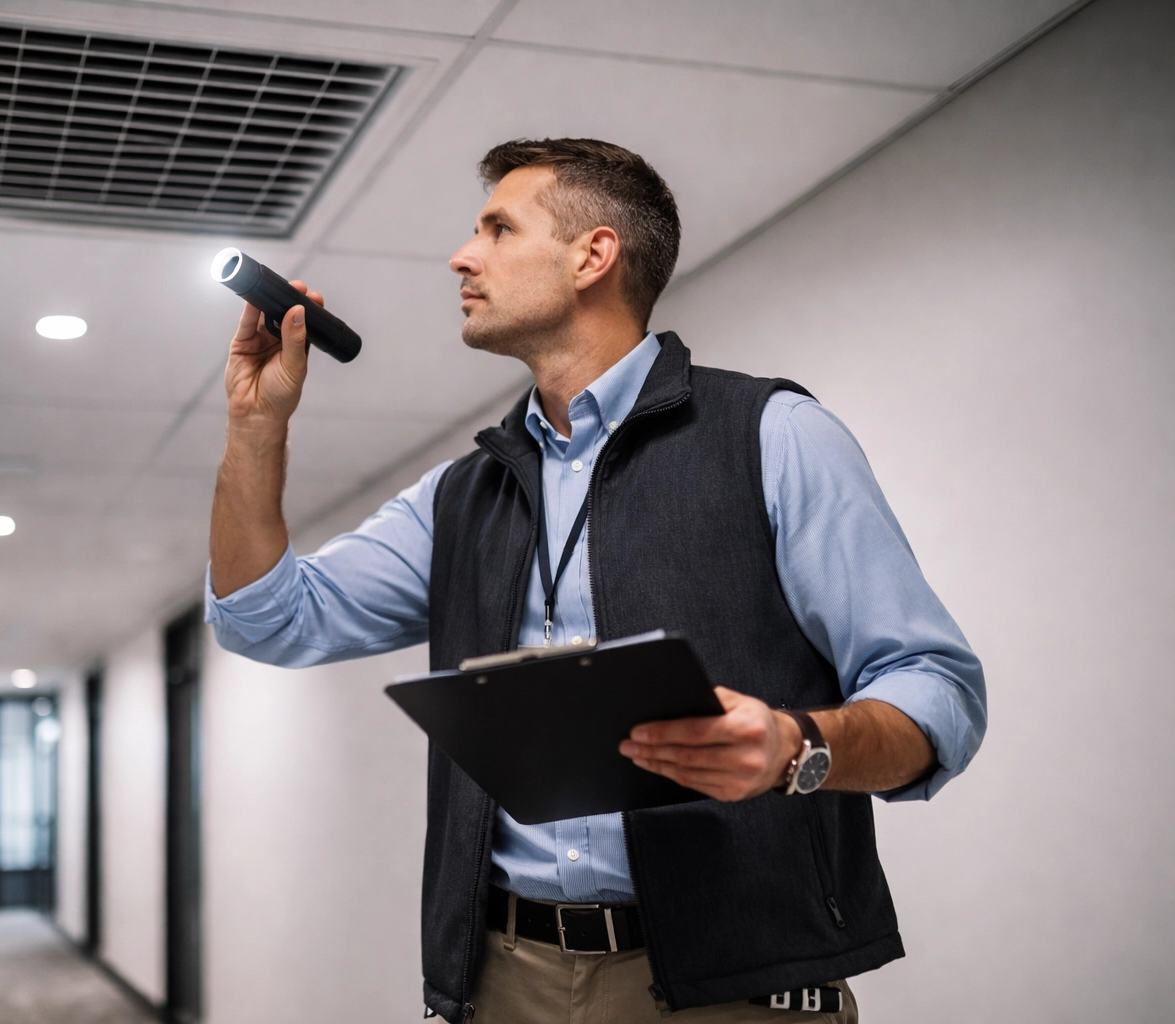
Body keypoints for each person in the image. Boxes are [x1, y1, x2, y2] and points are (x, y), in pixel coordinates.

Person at [206, 138, 986, 1023]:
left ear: (593, 255)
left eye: (498, 228)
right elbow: (263, 619)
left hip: (736, 988)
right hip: (502, 980)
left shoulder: (772, 435)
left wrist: (795, 747)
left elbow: (940, 696)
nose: (463, 256)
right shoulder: (463, 495)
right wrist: (254, 422)